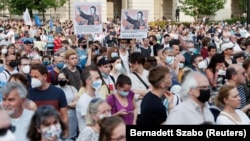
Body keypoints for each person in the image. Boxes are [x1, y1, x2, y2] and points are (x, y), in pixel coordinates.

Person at [28, 63, 69, 138]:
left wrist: (65, 132)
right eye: (32, 77)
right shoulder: (29, 93)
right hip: (36, 136)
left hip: (55, 134)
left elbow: (64, 115)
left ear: (44, 76)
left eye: (36, 77)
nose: (33, 79)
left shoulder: (58, 92)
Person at [56, 72, 78, 140]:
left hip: (71, 117)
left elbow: (77, 102)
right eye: (59, 78)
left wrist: (65, 105)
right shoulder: (55, 89)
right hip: (58, 117)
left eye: (63, 78)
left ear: (67, 79)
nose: (61, 80)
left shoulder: (72, 88)